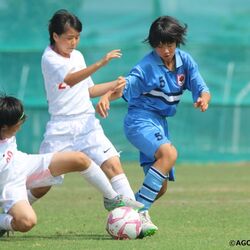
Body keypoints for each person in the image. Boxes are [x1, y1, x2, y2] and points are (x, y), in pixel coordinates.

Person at [27, 8, 144, 227]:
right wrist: (101, 63)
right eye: (69, 38)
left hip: (87, 124)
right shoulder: (49, 58)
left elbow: (88, 90)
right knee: (41, 184)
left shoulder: (78, 56)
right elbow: (71, 80)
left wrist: (116, 84)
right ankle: (10, 214)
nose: (74, 42)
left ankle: (137, 219)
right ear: (55, 36)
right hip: (61, 128)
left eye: (77, 37)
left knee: (113, 165)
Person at [96, 15, 211, 237]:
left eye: (169, 44)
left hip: (159, 123)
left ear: (177, 41)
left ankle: (128, 209)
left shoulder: (185, 62)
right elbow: (125, 85)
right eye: (159, 45)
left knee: (161, 186)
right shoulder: (147, 66)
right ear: (153, 45)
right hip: (139, 120)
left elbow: (202, 87)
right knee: (169, 153)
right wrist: (107, 97)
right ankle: (137, 213)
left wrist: (203, 98)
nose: (165, 50)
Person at [0, 95, 144, 238]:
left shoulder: (5, 130)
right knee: (26, 222)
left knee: (79, 159)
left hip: (22, 163)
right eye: (19, 120)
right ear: (4, 126)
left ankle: (112, 199)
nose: (22, 122)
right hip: (8, 183)